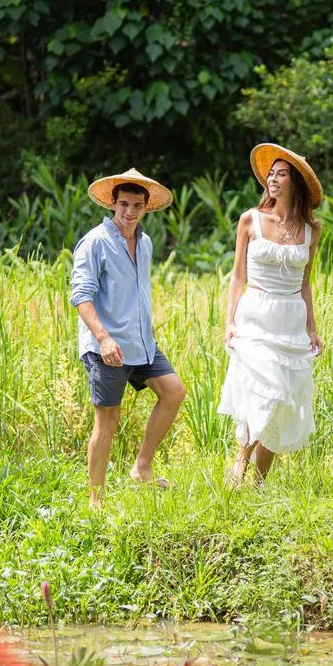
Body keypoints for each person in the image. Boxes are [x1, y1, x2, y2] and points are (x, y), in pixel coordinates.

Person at [70, 168, 186, 510]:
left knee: (174, 391)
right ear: (112, 204)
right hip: (106, 346)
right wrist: (104, 339)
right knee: (107, 421)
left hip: (141, 344)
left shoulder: (146, 243)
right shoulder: (95, 242)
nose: (130, 212)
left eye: (137, 205)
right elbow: (81, 296)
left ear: (147, 207)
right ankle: (96, 500)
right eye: (123, 204)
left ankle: (142, 467)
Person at [217, 144, 323, 488]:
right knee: (258, 392)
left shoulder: (311, 230)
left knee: (282, 400)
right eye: (271, 174)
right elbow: (237, 275)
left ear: (296, 184)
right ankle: (240, 462)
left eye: (282, 174)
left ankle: (258, 481)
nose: (273, 179)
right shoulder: (251, 220)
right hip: (256, 314)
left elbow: (306, 284)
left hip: (290, 317)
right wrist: (229, 321)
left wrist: (312, 328)